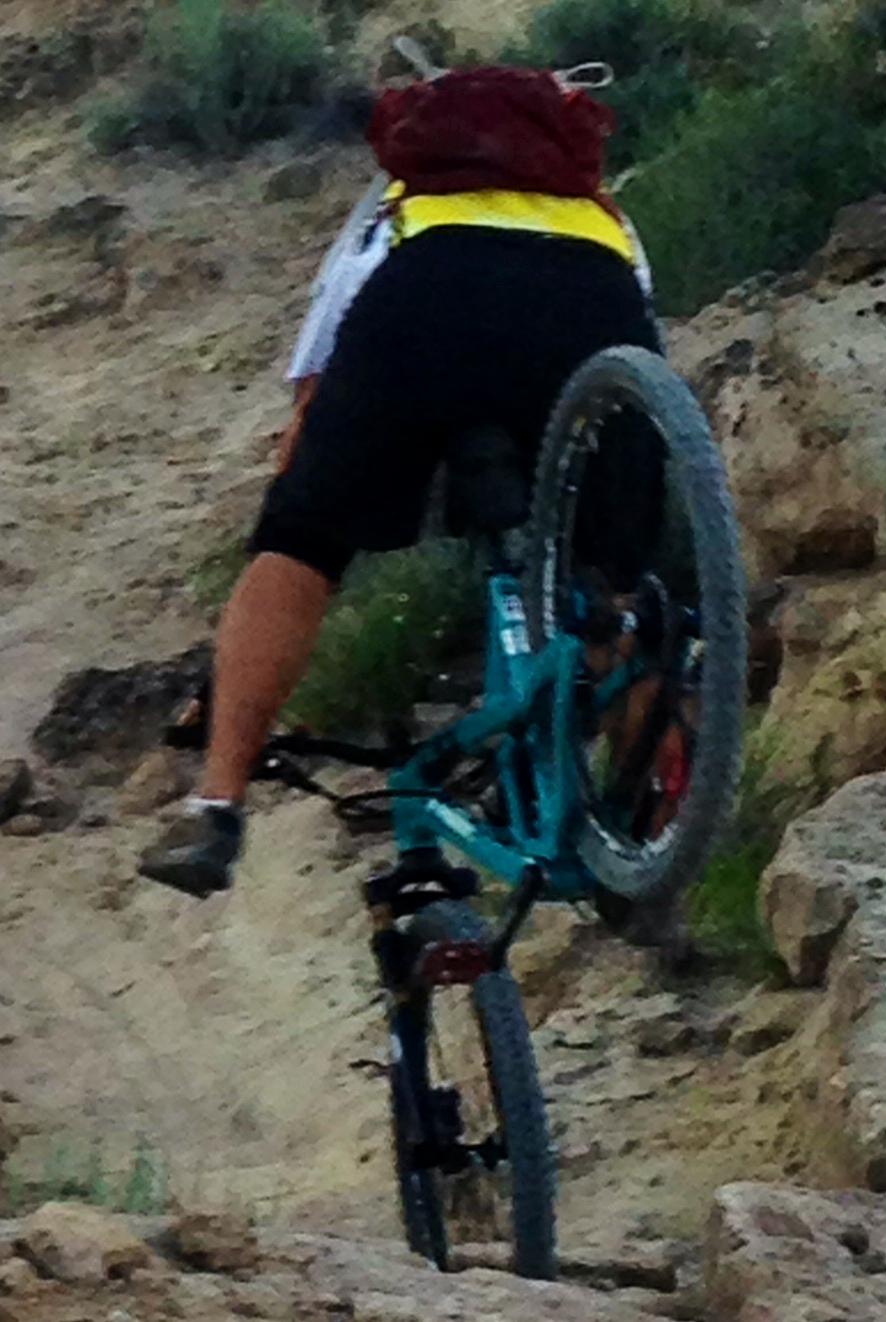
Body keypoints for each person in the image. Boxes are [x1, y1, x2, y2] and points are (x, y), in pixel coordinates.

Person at [138, 59, 662, 898]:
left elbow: (318, 382)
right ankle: (657, 840)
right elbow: (645, 358)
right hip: (592, 309)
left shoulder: (398, 211)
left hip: (429, 298)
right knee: (633, 585)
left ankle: (216, 806)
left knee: (301, 541)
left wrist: (302, 505)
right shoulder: (606, 222)